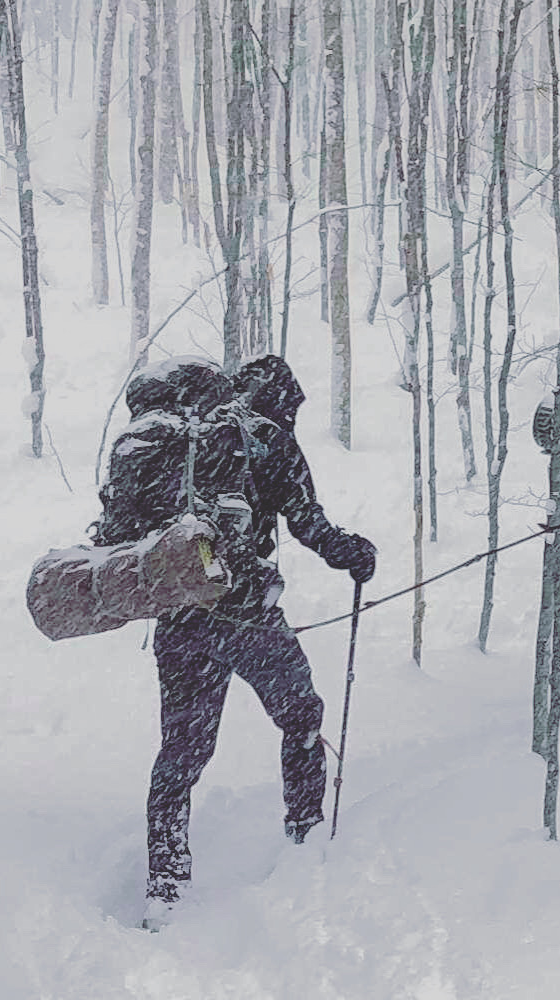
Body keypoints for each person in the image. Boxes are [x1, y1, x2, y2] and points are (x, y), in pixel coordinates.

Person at [91, 349, 374, 919]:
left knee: (182, 750)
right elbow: (309, 524)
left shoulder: (167, 446)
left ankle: (166, 884)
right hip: (248, 614)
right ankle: (305, 832)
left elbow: (118, 535)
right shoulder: (261, 439)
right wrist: (355, 554)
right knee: (300, 715)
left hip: (180, 616)